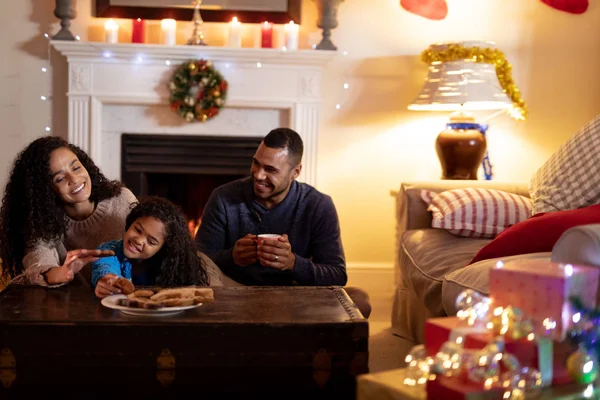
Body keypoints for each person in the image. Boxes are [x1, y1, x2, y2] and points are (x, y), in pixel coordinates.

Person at [195, 128, 371, 318]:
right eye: (256, 163)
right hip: (236, 292)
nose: (258, 175)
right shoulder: (224, 197)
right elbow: (197, 261)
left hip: (295, 295)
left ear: (295, 172)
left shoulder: (318, 205)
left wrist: (293, 263)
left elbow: (336, 274)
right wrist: (233, 257)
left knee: (359, 300)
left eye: (270, 169)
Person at [0, 136, 137, 287]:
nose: (74, 179)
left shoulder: (123, 200)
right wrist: (61, 273)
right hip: (72, 306)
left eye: (76, 167)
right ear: (44, 190)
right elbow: (39, 262)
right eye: (59, 179)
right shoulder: (42, 222)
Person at [92, 196, 222, 298]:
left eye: (151, 242)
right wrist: (109, 280)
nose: (139, 240)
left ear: (163, 248)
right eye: (137, 230)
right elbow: (104, 265)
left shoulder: (169, 265)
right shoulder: (110, 249)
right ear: (131, 222)